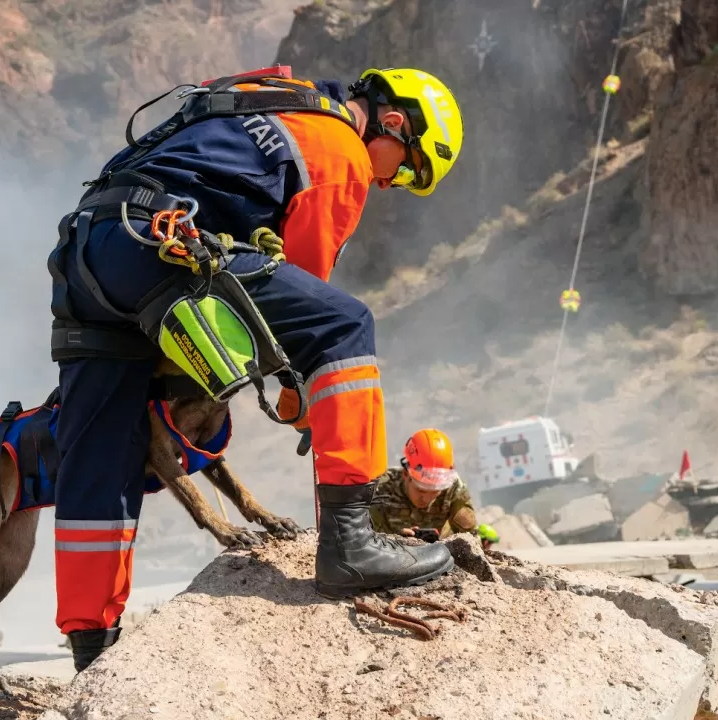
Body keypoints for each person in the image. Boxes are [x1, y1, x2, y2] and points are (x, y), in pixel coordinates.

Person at [43, 65, 466, 672]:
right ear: (393, 122)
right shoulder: (338, 148)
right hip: (162, 244)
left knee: (99, 447)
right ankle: (351, 544)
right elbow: (308, 312)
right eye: (405, 167)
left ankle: (91, 646)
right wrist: (307, 402)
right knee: (345, 326)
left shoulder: (271, 105)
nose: (393, 181)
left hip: (90, 248)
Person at [369, 428, 478, 541]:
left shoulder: (453, 489)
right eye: (421, 490)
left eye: (436, 491)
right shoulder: (380, 488)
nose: (427, 499)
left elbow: (472, 539)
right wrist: (394, 541)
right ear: (406, 474)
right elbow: (360, 540)